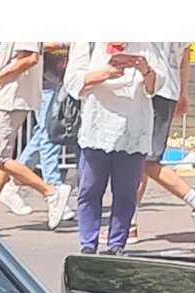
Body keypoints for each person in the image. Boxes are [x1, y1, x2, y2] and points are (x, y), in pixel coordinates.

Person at [64, 42, 157, 255]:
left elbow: (156, 85)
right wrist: (106, 72)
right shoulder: (87, 42)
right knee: (90, 188)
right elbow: (73, 82)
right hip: (97, 126)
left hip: (133, 126)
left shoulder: (147, 43)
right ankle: (88, 243)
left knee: (126, 191)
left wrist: (145, 70)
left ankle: (117, 243)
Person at [131, 42, 195, 245]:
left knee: (146, 160)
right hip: (165, 88)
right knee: (139, 159)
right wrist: (182, 90)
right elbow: (186, 56)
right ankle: (128, 222)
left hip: (153, 89)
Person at [0, 42, 71, 232]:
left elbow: (30, 58)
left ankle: (50, 191)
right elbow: (21, 58)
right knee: (2, 157)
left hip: (11, 97)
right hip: (9, 95)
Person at [1, 41, 73, 220]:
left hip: (60, 81)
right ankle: (53, 190)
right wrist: (67, 44)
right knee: (49, 136)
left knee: (43, 135)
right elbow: (39, 45)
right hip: (45, 83)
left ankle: (13, 185)